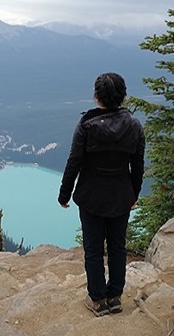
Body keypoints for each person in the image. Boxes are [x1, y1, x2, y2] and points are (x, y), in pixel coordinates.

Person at [58, 72, 145, 317]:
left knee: (94, 250)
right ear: (123, 96)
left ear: (97, 98)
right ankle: (115, 297)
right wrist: (134, 193)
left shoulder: (86, 126)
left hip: (91, 197)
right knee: (118, 247)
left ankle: (97, 300)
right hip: (120, 195)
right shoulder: (135, 126)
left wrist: (64, 194)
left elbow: (74, 162)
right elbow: (137, 166)